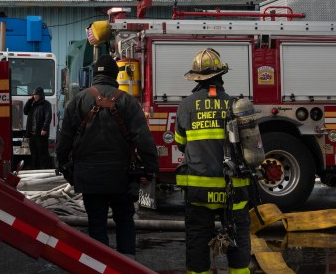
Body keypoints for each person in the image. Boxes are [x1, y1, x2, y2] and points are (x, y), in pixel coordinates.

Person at [57, 54, 158, 258]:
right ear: (116, 75)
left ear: (94, 75)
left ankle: (99, 266)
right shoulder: (128, 102)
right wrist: (150, 169)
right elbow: (144, 140)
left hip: (88, 177)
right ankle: (127, 266)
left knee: (96, 223)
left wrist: (66, 169)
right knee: (124, 221)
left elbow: (64, 141)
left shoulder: (77, 101)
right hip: (121, 177)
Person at [174, 48, 251, 274]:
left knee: (198, 240)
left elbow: (181, 142)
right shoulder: (235, 105)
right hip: (233, 188)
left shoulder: (186, 105)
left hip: (199, 190)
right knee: (238, 237)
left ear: (197, 78)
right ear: (221, 75)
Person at [23, 86, 53, 169]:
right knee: (34, 153)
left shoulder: (46, 104)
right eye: (34, 95)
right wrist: (29, 100)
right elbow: (25, 111)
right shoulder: (32, 104)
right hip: (32, 134)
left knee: (42, 154)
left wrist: (44, 129)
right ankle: (34, 168)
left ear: (40, 95)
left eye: (36, 94)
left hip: (41, 134)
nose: (34, 96)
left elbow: (48, 117)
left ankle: (44, 169)